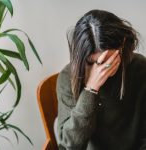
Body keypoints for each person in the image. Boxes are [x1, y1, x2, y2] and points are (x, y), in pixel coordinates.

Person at [56, 9, 146, 150]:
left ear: (122, 45)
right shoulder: (68, 78)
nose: (101, 69)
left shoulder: (140, 68)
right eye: (92, 62)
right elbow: (69, 146)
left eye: (108, 60)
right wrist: (91, 90)